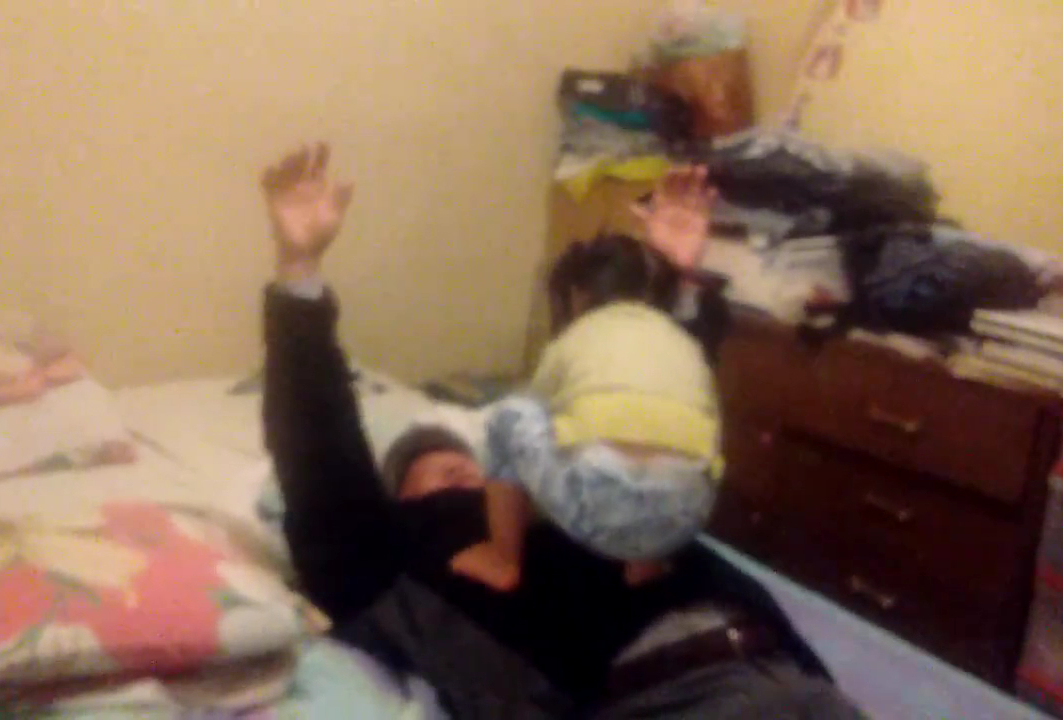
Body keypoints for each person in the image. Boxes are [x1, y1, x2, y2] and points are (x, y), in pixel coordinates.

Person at [260, 141, 866, 719]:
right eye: (441, 473)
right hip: (665, 698)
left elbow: (664, 418)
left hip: (791, 674)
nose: (469, 471)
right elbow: (320, 462)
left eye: (470, 462)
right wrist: (299, 273)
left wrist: (672, 278)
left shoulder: (573, 490)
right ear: (405, 501)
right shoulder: (395, 552)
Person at [480, 230, 723, 588]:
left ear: (579, 295)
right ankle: (645, 567)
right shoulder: (685, 342)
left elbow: (540, 412)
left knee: (509, 414)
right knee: (666, 440)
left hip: (597, 511)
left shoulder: (575, 336)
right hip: (685, 517)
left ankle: (502, 560)